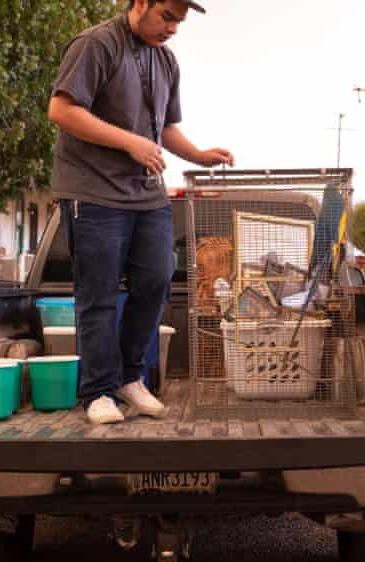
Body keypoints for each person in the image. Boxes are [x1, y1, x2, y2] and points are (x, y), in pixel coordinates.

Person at [48, 0, 234, 424]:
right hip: (92, 193)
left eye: (179, 21)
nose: (172, 28)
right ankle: (98, 392)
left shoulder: (166, 61)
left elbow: (165, 128)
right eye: (166, 17)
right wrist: (129, 142)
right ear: (140, 4)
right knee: (99, 297)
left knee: (155, 281)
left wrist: (199, 155)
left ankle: (130, 378)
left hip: (146, 196)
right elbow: (62, 110)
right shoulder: (96, 44)